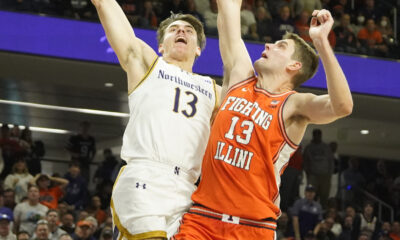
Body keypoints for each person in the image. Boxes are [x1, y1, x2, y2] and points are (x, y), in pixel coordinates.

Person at [173, 0, 353, 238]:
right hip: (203, 219)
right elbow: (228, 11)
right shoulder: (240, 77)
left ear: (294, 65)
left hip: (253, 227)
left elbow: (342, 106)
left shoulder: (293, 105)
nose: (268, 45)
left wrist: (320, 42)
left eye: (280, 46)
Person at [91, 0, 219, 239]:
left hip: (188, 189)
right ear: (161, 45)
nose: (181, 31)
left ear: (199, 49)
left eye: (189, 31)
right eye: (174, 29)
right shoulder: (149, 65)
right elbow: (105, 7)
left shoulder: (213, 89)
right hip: (145, 176)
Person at [303, 128, 335, 208]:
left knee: (324, 194)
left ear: (321, 136)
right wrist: (308, 173)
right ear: (313, 136)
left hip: (325, 175)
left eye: (319, 135)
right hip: (313, 175)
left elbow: (331, 161)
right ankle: (309, 209)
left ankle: (323, 210)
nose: (317, 137)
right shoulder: (308, 148)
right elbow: (305, 161)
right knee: (311, 193)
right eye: (315, 135)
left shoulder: (326, 147)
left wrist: (329, 174)